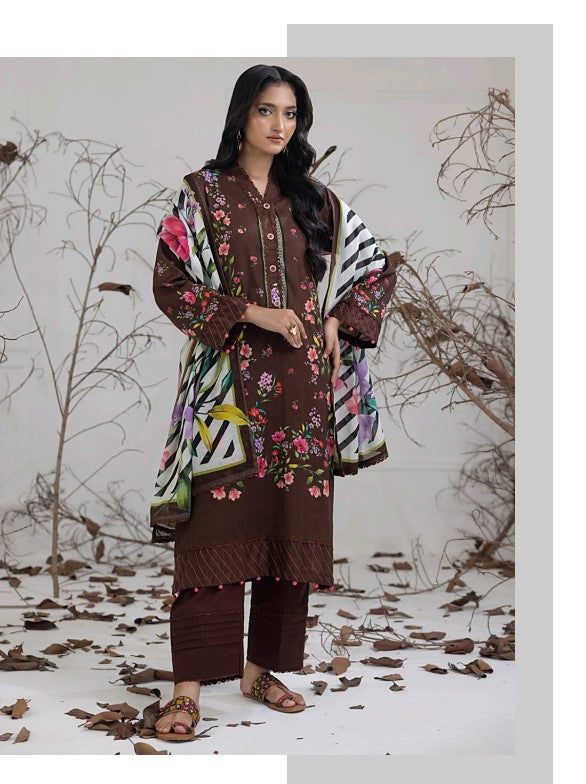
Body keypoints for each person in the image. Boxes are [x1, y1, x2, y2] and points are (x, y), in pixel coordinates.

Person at [150, 64, 397, 740]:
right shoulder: (201, 195)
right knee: (213, 535)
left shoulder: (314, 200)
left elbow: (375, 269)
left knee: (290, 533)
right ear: (241, 115)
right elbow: (172, 283)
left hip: (301, 394)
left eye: (291, 113)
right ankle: (188, 688)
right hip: (225, 395)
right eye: (266, 110)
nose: (279, 125)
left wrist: (335, 320)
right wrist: (254, 313)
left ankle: (261, 671)